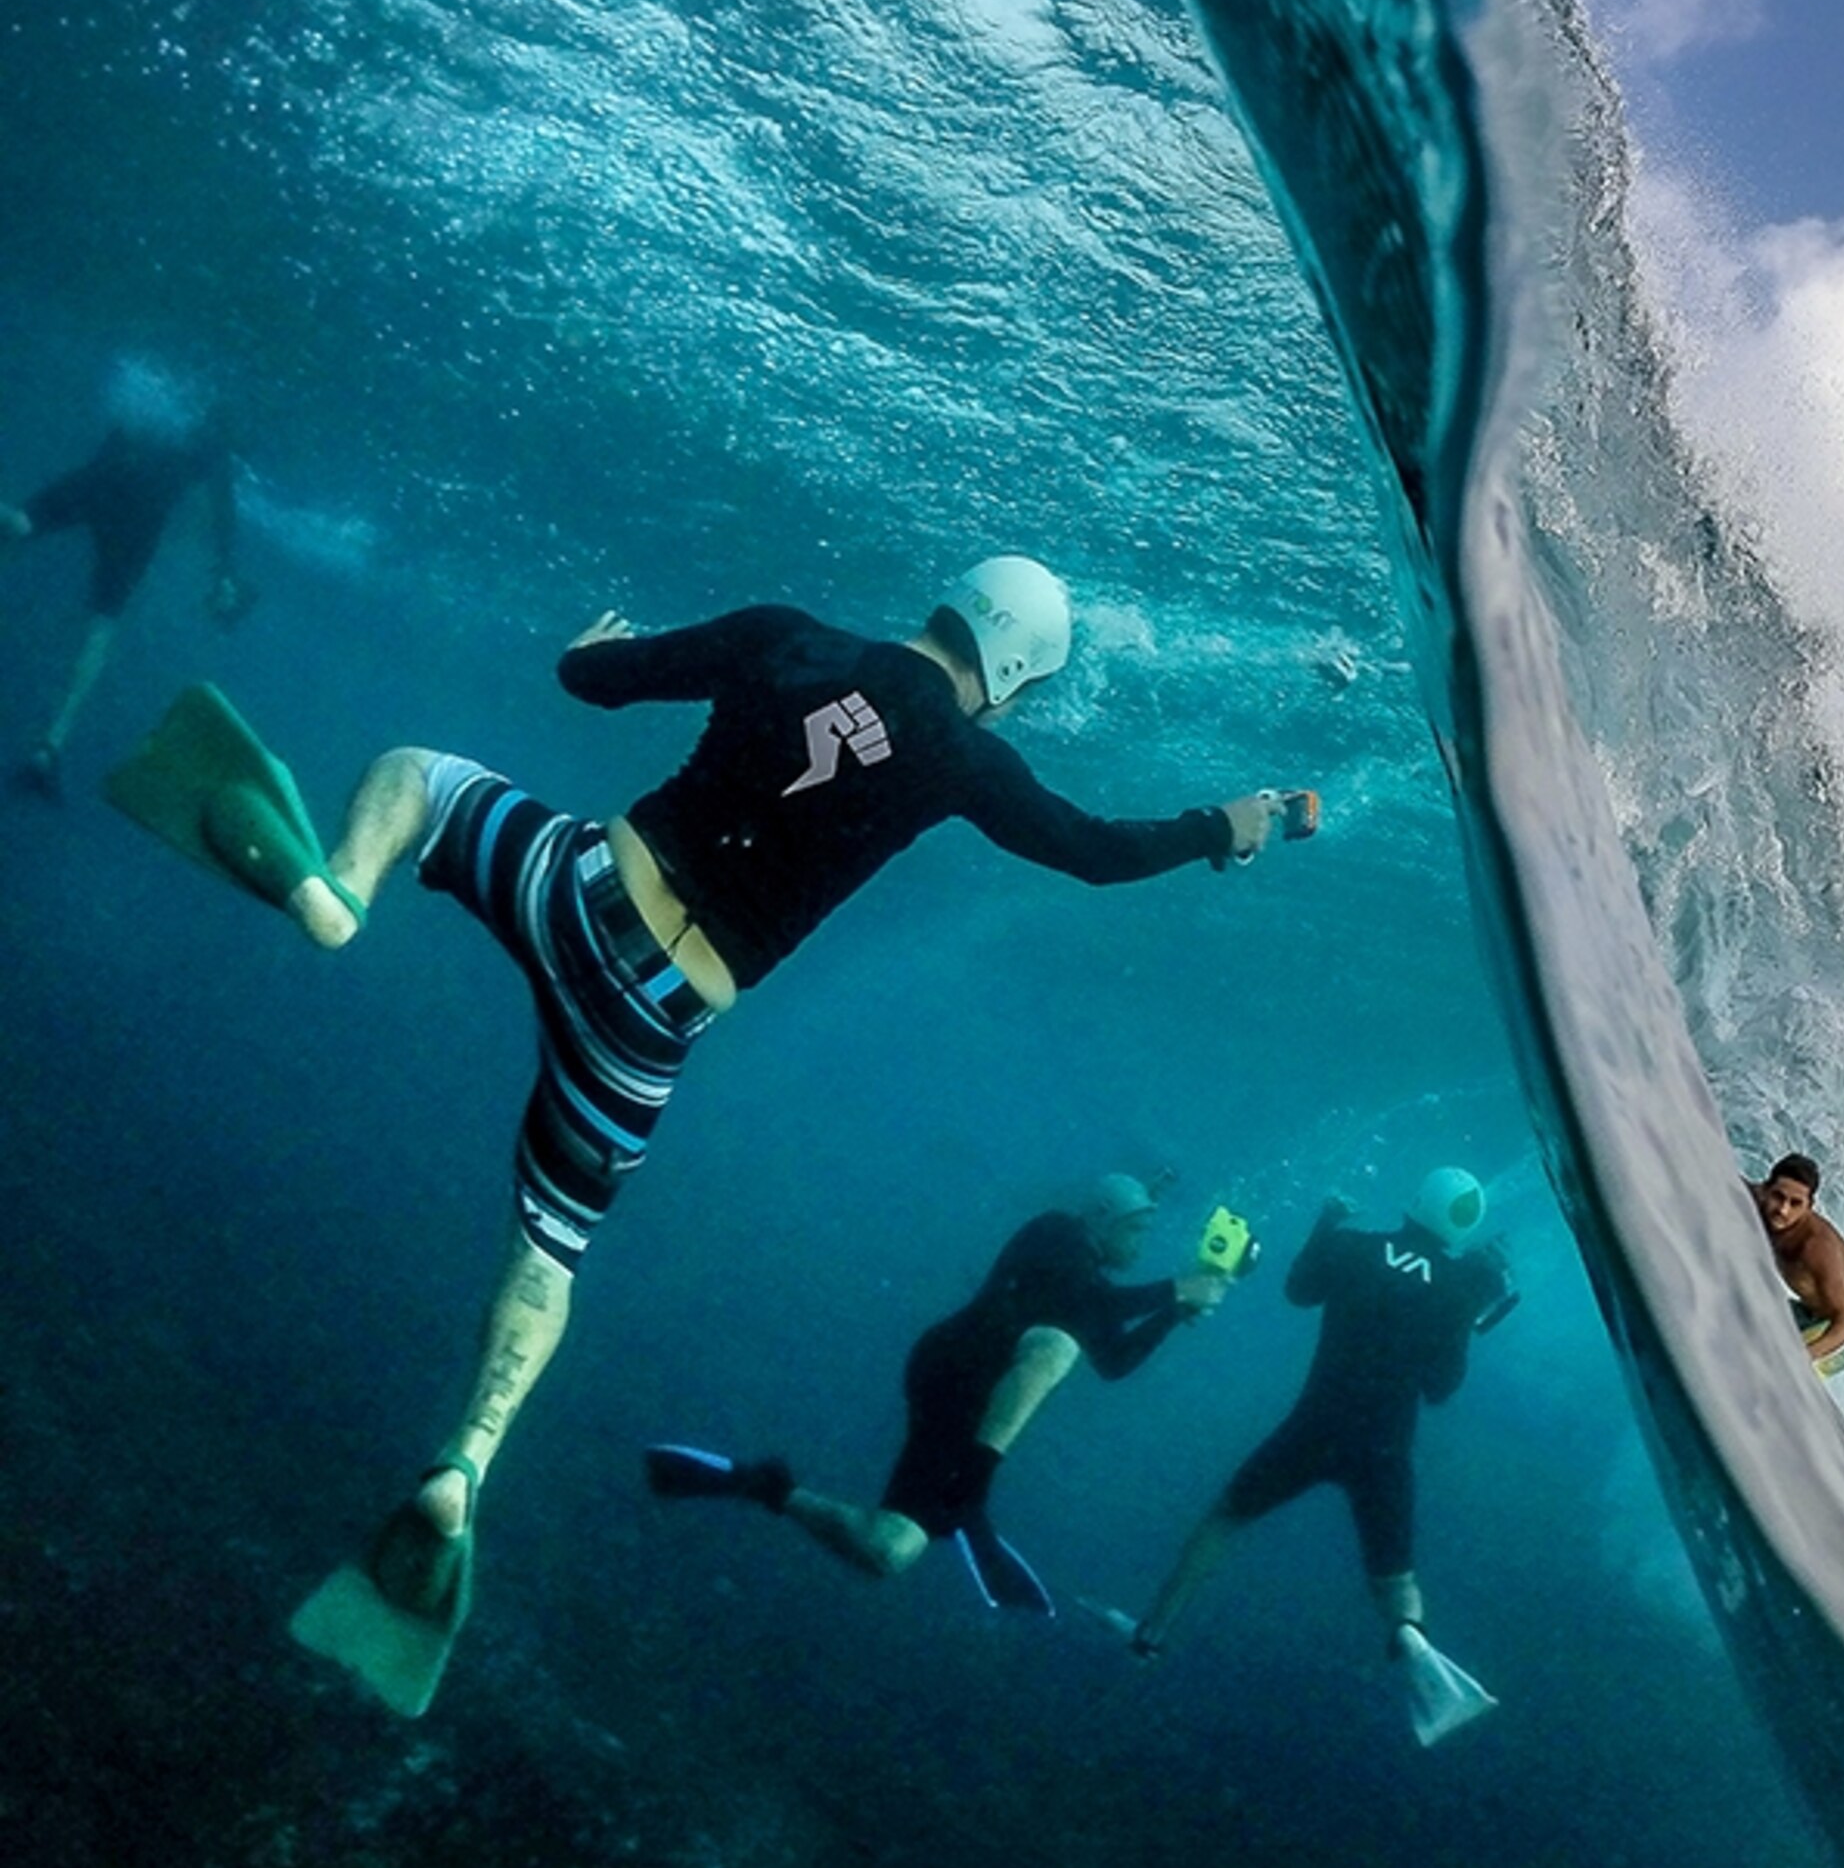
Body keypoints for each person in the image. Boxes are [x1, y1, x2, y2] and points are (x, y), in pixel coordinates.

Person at [111, 554, 1312, 1713]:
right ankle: (464, 1462)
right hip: (658, 1016)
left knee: (418, 774)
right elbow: (1097, 853)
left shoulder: (785, 630)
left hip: (577, 885)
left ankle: (339, 896)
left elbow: (591, 679)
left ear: (950, 606)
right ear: (1013, 672)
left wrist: (596, 647)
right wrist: (1230, 820)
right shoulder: (968, 760)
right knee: (551, 1247)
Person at [643, 1174, 1232, 1610]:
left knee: (888, 1551)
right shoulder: (1056, 1233)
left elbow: (1116, 1362)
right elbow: (1087, 1305)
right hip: (949, 1371)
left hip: (976, 1407)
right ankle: (972, 1492)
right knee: (1058, 1348)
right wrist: (1172, 1288)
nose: (1145, 1239)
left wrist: (1173, 1313)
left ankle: (760, 1484)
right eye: (1139, 1226)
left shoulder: (1094, 1288)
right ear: (1102, 1215)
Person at [1121, 1165, 1513, 1745]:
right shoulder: (1460, 1289)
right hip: (1385, 1448)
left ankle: (1151, 1634)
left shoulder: (1356, 1248)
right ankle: (1415, 1646)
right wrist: (1471, 1300)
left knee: (1227, 1516)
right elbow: (1440, 1389)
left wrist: (1326, 1221)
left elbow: (1298, 1290)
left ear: (1413, 1201)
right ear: (1465, 1223)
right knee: (1395, 1580)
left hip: (1315, 1426)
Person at [1, 356, 248, 798]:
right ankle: (51, 744)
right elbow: (223, 515)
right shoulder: (214, 444)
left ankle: (51, 746)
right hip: (137, 528)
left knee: (20, 525)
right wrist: (225, 574)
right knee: (101, 627)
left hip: (101, 483)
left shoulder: (165, 400)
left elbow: (119, 436)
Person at [1749, 1152, 1844, 1377]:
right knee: (1745, 1317)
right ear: (1764, 1189)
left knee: (1787, 1367)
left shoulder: (1816, 1247)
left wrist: (1802, 1357)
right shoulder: (1757, 1199)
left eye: (1795, 1203)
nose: (1783, 1210)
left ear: (1809, 1206)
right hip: (1811, 1314)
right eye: (1778, 1197)